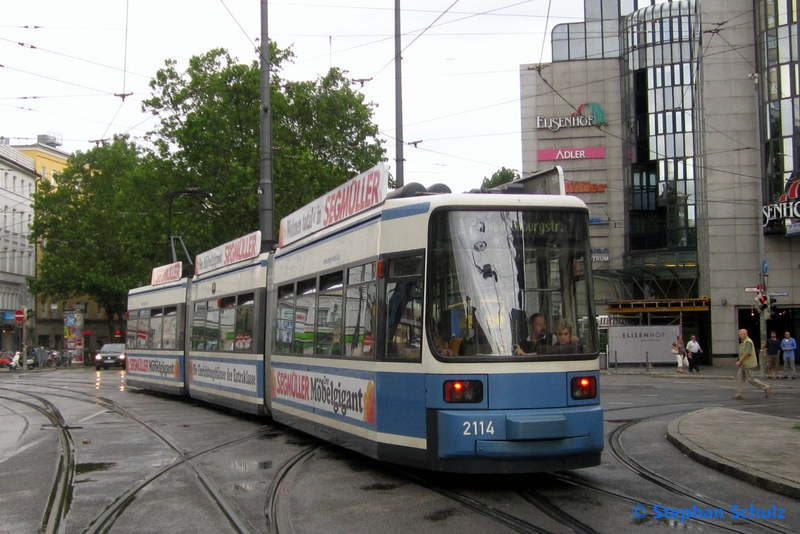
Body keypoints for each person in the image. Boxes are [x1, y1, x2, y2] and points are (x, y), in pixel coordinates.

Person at [733, 328, 771, 400]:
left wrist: (740, 361)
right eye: (739, 334)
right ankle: (740, 394)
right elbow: (742, 353)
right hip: (744, 364)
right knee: (740, 377)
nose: (739, 336)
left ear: (745, 334)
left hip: (748, 364)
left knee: (750, 379)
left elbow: (747, 353)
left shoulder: (748, 342)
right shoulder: (743, 342)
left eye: (740, 334)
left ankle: (766, 387)